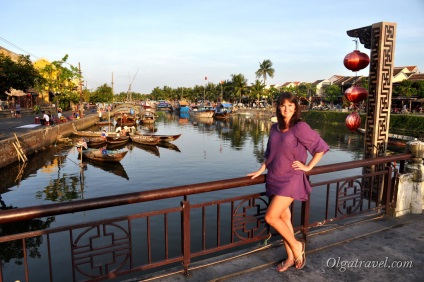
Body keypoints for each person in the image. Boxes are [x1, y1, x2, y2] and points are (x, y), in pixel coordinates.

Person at [247, 92, 329, 272]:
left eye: (291, 105)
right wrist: (262, 168)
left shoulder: (300, 127)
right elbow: (270, 151)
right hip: (275, 176)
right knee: (284, 218)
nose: (287, 109)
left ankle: (297, 246)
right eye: (283, 105)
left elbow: (321, 148)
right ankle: (291, 256)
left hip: (291, 178)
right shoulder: (274, 128)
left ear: (295, 108)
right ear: (278, 106)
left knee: (270, 217)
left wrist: (308, 167)